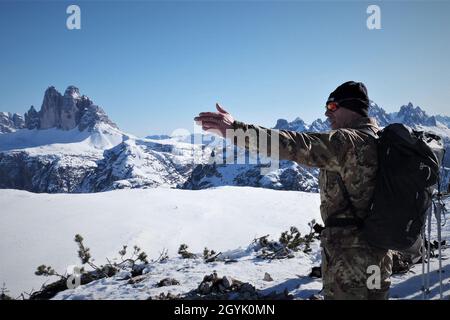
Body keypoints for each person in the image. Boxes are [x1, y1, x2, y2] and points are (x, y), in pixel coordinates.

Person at [194, 81, 393, 300]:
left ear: (352, 107)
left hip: (352, 261)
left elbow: (296, 144)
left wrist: (236, 131)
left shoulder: (348, 142)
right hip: (378, 256)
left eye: (333, 107)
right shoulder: (381, 139)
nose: (327, 114)